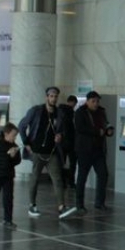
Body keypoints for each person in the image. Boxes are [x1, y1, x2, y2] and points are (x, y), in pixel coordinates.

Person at [18, 86, 74, 218]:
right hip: (37, 151)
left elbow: (62, 131)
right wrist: (26, 142)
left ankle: (61, 207)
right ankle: (32, 205)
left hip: (52, 151)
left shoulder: (60, 113)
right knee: (35, 178)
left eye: (55, 96)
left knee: (57, 178)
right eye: (51, 96)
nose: (53, 99)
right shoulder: (36, 111)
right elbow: (22, 125)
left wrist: (60, 136)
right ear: (47, 97)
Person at [73, 91, 113, 215]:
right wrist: (97, 132)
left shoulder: (101, 112)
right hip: (84, 150)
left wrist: (108, 131)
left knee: (103, 174)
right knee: (82, 177)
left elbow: (106, 125)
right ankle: (79, 204)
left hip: (98, 149)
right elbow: (80, 128)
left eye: (97, 101)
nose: (96, 104)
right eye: (93, 101)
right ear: (87, 101)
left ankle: (100, 202)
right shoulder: (80, 113)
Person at [61, 95, 78, 188]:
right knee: (73, 163)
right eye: (74, 104)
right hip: (71, 142)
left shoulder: (61, 113)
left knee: (62, 163)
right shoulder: (72, 113)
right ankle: (71, 182)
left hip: (63, 142)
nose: (74, 106)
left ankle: (63, 182)